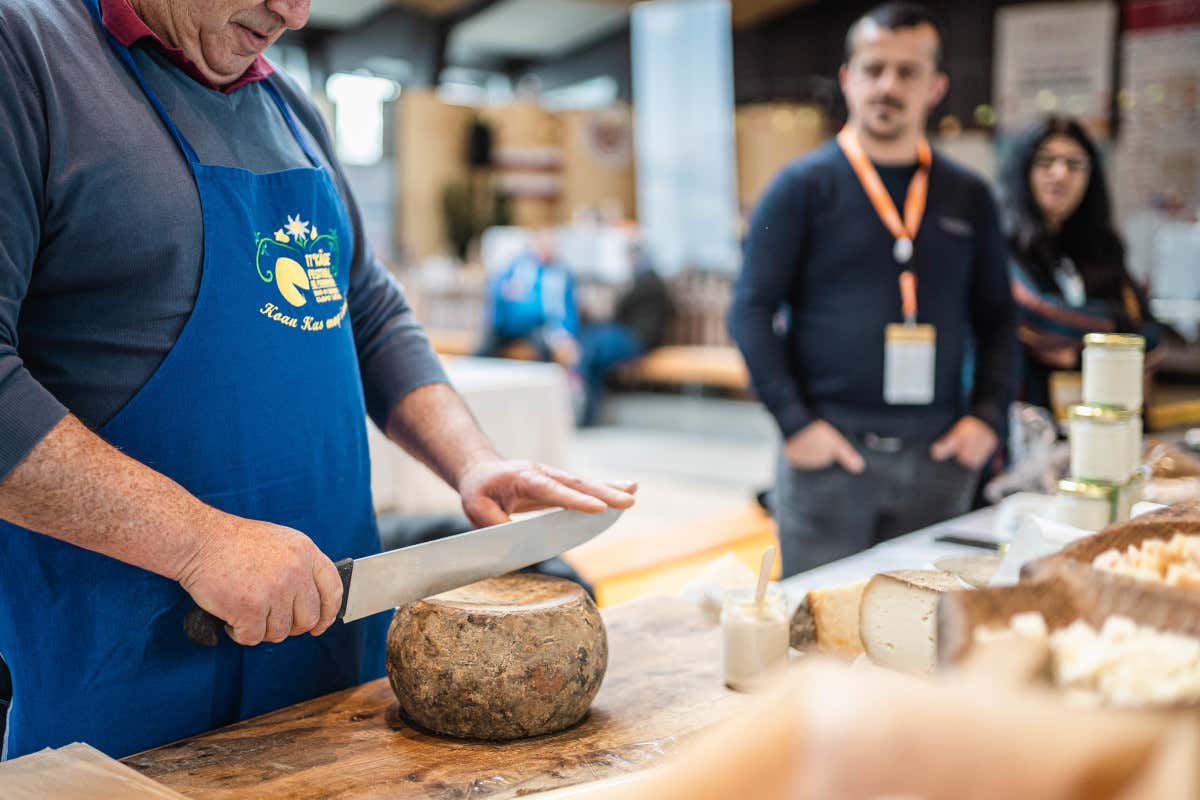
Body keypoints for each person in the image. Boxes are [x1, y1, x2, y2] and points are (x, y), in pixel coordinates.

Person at [0, 0, 634, 760]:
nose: (293, 13)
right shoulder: (25, 53)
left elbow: (367, 306)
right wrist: (200, 545)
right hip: (117, 670)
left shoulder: (286, 105)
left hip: (325, 649)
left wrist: (473, 460)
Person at [728, 2, 1018, 577]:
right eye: (874, 68)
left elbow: (998, 319)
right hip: (831, 454)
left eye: (908, 72)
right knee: (815, 633)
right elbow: (750, 312)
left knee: (922, 639)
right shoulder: (800, 187)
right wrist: (796, 424)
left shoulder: (968, 196)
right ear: (848, 78)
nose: (888, 85)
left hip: (940, 455)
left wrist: (988, 419)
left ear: (936, 87)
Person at [1000, 116, 1162, 408]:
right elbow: (1035, 315)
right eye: (1045, 162)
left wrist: (1071, 346)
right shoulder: (999, 240)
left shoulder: (1104, 248)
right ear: (1023, 170)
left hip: (1103, 413)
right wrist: (1115, 326)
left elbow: (1151, 335)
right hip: (1026, 418)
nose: (1060, 174)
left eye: (1074, 164)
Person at [575, 244, 674, 426]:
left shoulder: (646, 282)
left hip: (638, 340)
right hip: (633, 337)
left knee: (593, 344)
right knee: (595, 350)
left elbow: (619, 311)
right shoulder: (648, 281)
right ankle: (586, 397)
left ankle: (580, 384)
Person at [476, 229, 580, 365]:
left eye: (550, 245)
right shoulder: (519, 265)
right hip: (507, 325)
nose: (546, 249)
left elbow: (568, 310)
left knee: (547, 350)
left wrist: (567, 334)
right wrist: (506, 292)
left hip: (540, 328)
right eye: (543, 244)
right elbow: (497, 287)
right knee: (485, 347)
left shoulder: (561, 274)